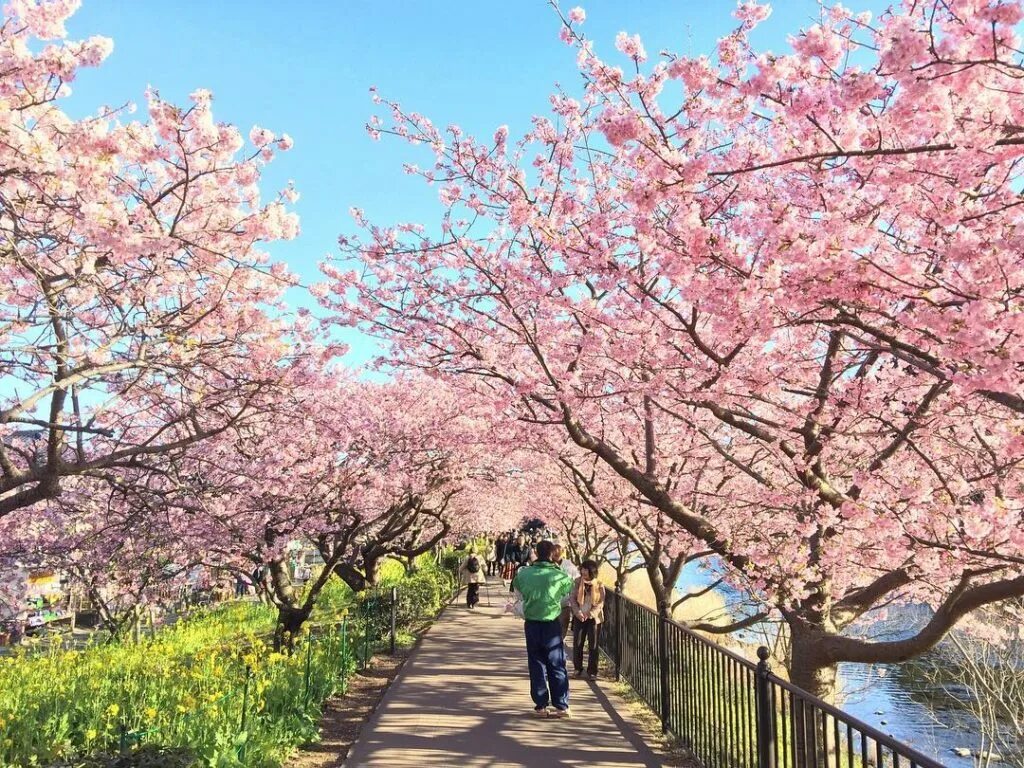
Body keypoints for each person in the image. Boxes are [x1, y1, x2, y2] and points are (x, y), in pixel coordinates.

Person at [511, 540, 574, 718]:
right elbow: (567, 596)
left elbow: (518, 594)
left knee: (536, 663)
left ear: (536, 553)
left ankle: (540, 705)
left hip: (531, 623)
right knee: (556, 663)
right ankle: (561, 705)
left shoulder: (523, 574)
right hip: (552, 623)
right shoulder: (559, 575)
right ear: (552, 553)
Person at [568, 559, 605, 679]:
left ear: (592, 571)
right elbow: (572, 598)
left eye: (586, 569)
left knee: (593, 645)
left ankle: (592, 671)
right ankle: (578, 668)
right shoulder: (577, 582)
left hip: (593, 619)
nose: (583, 572)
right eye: (582, 569)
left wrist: (591, 613)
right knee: (578, 643)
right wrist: (577, 612)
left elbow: (601, 602)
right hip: (579, 616)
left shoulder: (599, 584)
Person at [552, 544, 579, 640]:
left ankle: (560, 643)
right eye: (554, 552)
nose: (556, 554)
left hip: (565, 601)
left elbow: (576, 579)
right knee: (552, 627)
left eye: (558, 552)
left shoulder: (569, 565)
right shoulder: (548, 564)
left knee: (564, 625)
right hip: (550, 602)